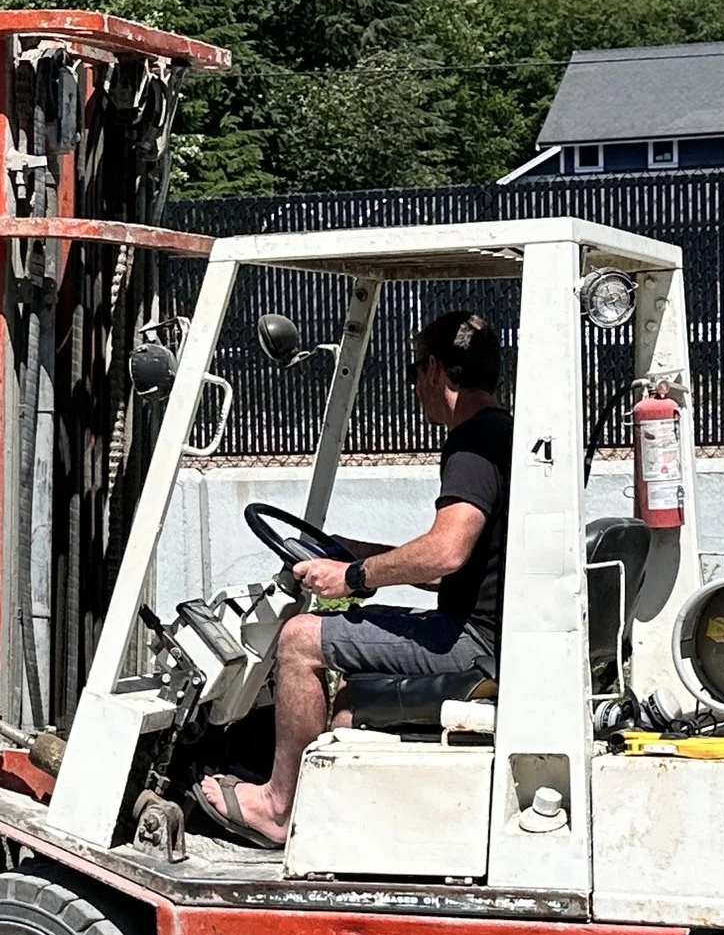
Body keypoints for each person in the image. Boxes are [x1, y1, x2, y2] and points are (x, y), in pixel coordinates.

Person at [194, 310, 513, 849]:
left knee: (299, 639)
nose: (415, 388)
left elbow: (447, 551)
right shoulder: (507, 434)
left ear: (434, 369)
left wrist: (355, 576)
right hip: (485, 632)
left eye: (415, 372)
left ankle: (277, 806)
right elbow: (461, 564)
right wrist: (360, 554)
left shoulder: (472, 443)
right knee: (349, 697)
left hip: (472, 644)